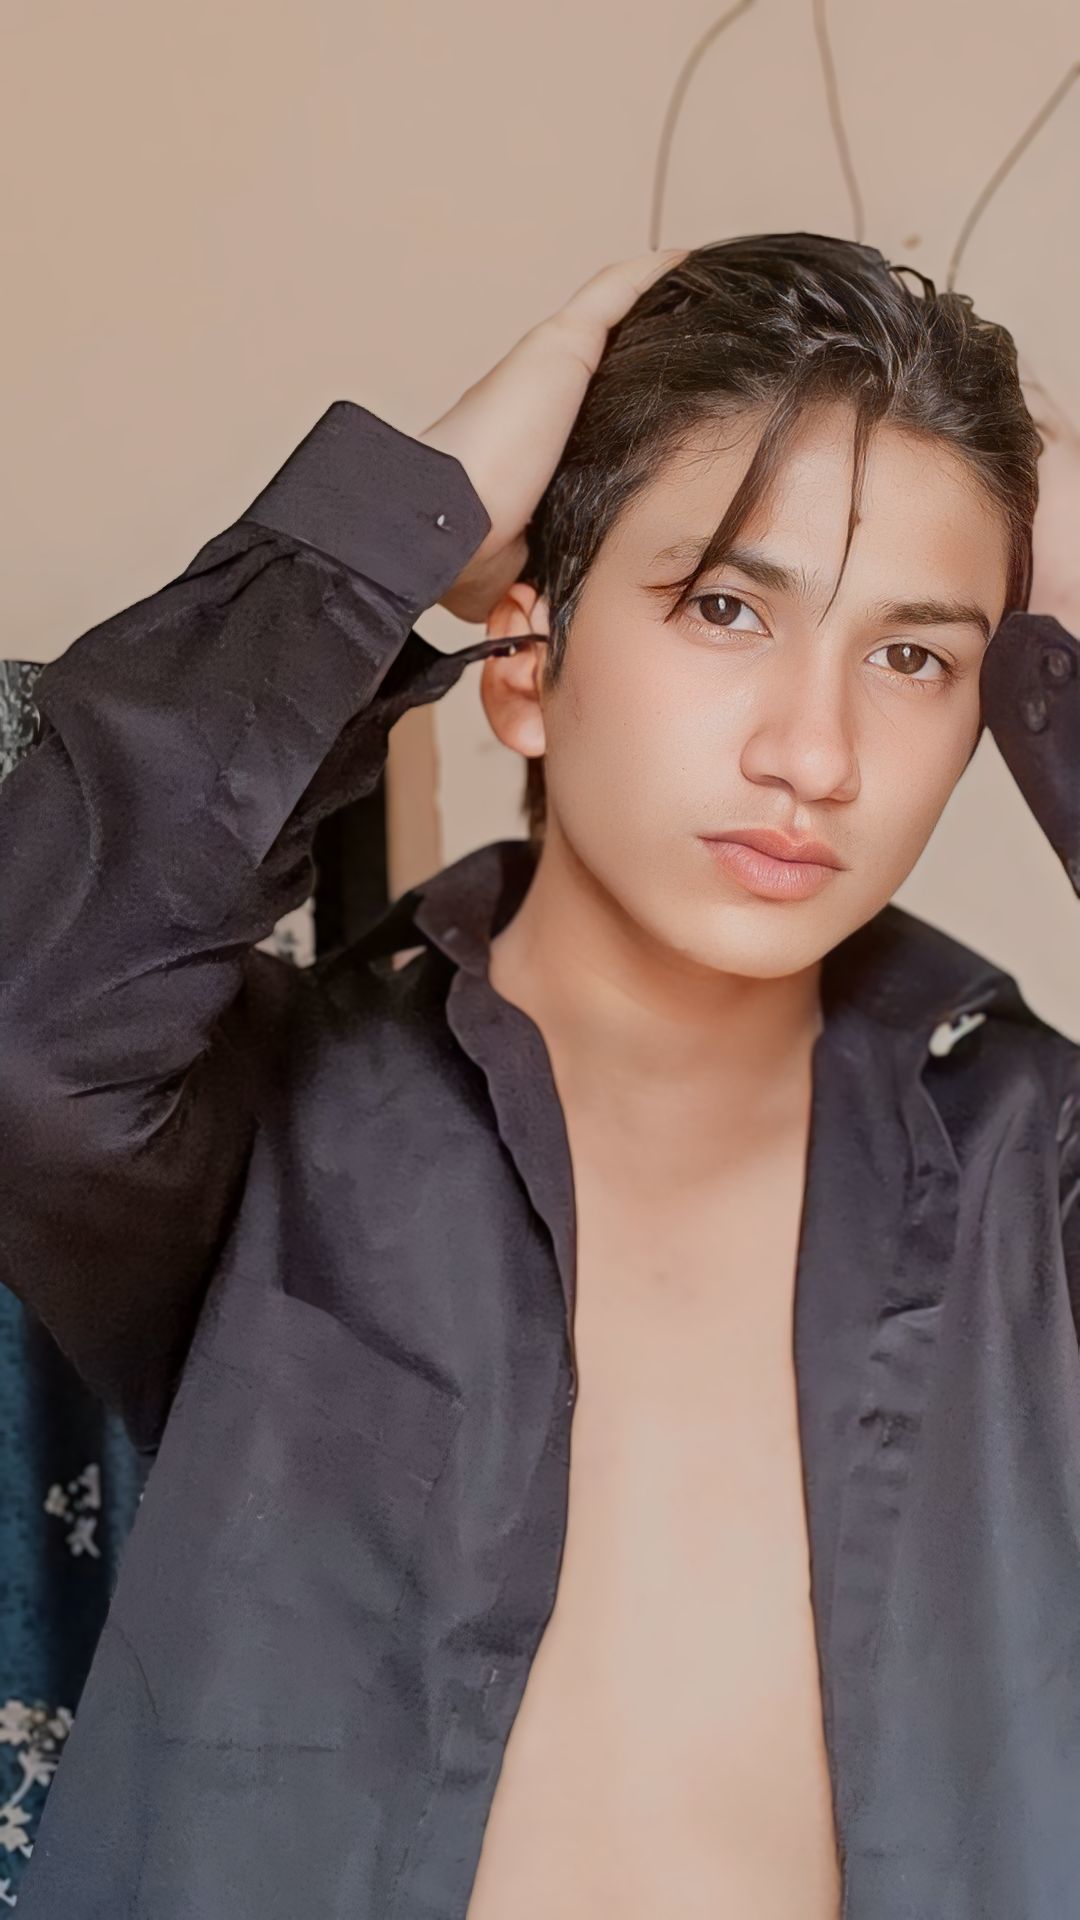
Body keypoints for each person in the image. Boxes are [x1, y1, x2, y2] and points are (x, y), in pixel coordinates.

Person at [0, 231, 1077, 1919]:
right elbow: (27, 1021)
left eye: (913, 657)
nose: (815, 753)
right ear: (524, 666)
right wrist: (401, 520)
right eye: (726, 608)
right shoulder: (260, 1132)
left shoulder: (1037, 1172)